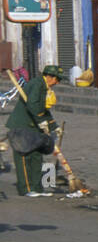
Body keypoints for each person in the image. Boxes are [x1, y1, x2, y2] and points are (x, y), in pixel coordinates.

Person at [6, 65, 62, 196]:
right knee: (24, 156)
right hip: (22, 125)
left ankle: (37, 188)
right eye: (57, 79)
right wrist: (40, 121)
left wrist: (54, 126)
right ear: (49, 77)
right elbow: (32, 104)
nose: (57, 83)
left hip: (35, 126)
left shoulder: (45, 87)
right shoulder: (37, 85)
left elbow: (43, 109)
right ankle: (25, 189)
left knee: (37, 155)